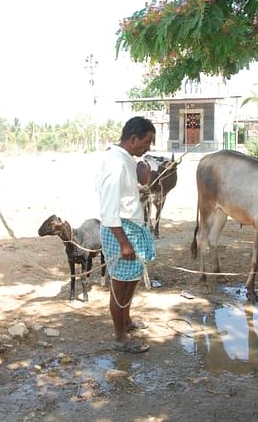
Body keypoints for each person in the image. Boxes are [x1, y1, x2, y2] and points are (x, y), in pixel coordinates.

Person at [96, 116, 156, 354]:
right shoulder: (116, 163)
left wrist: (139, 190)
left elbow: (124, 198)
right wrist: (124, 243)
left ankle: (127, 322)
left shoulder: (126, 159)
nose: (149, 147)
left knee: (131, 280)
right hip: (120, 232)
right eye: (147, 142)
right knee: (120, 287)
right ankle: (120, 337)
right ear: (133, 139)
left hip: (130, 229)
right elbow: (109, 209)